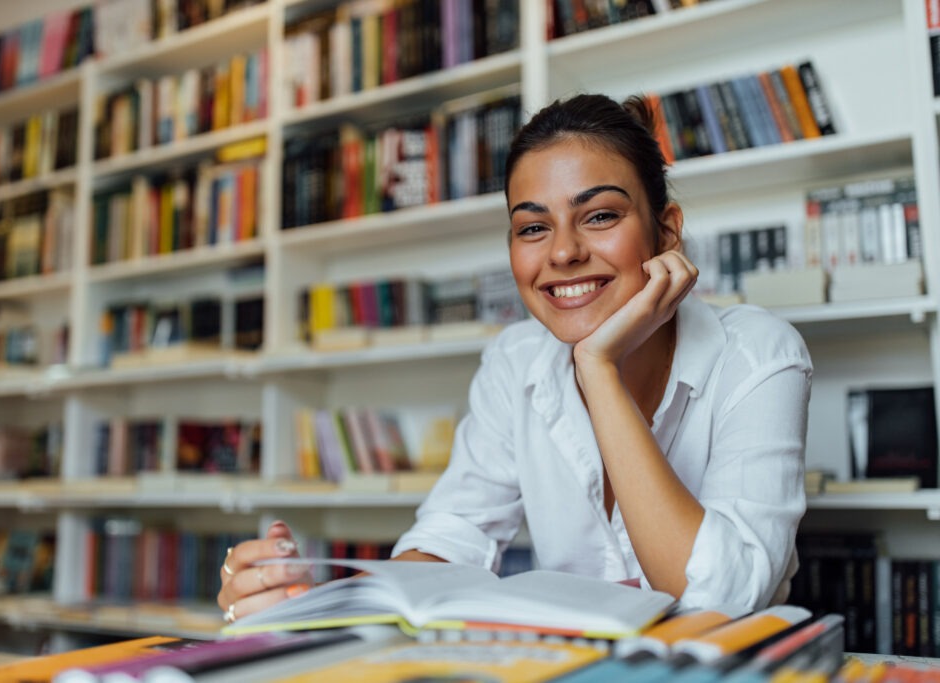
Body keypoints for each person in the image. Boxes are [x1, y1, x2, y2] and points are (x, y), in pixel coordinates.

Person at [217, 93, 812, 625]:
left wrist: (597, 369)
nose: (563, 252)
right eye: (533, 227)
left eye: (599, 215)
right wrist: (318, 604)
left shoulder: (757, 353)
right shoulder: (515, 360)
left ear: (667, 232)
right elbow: (453, 538)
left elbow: (721, 597)